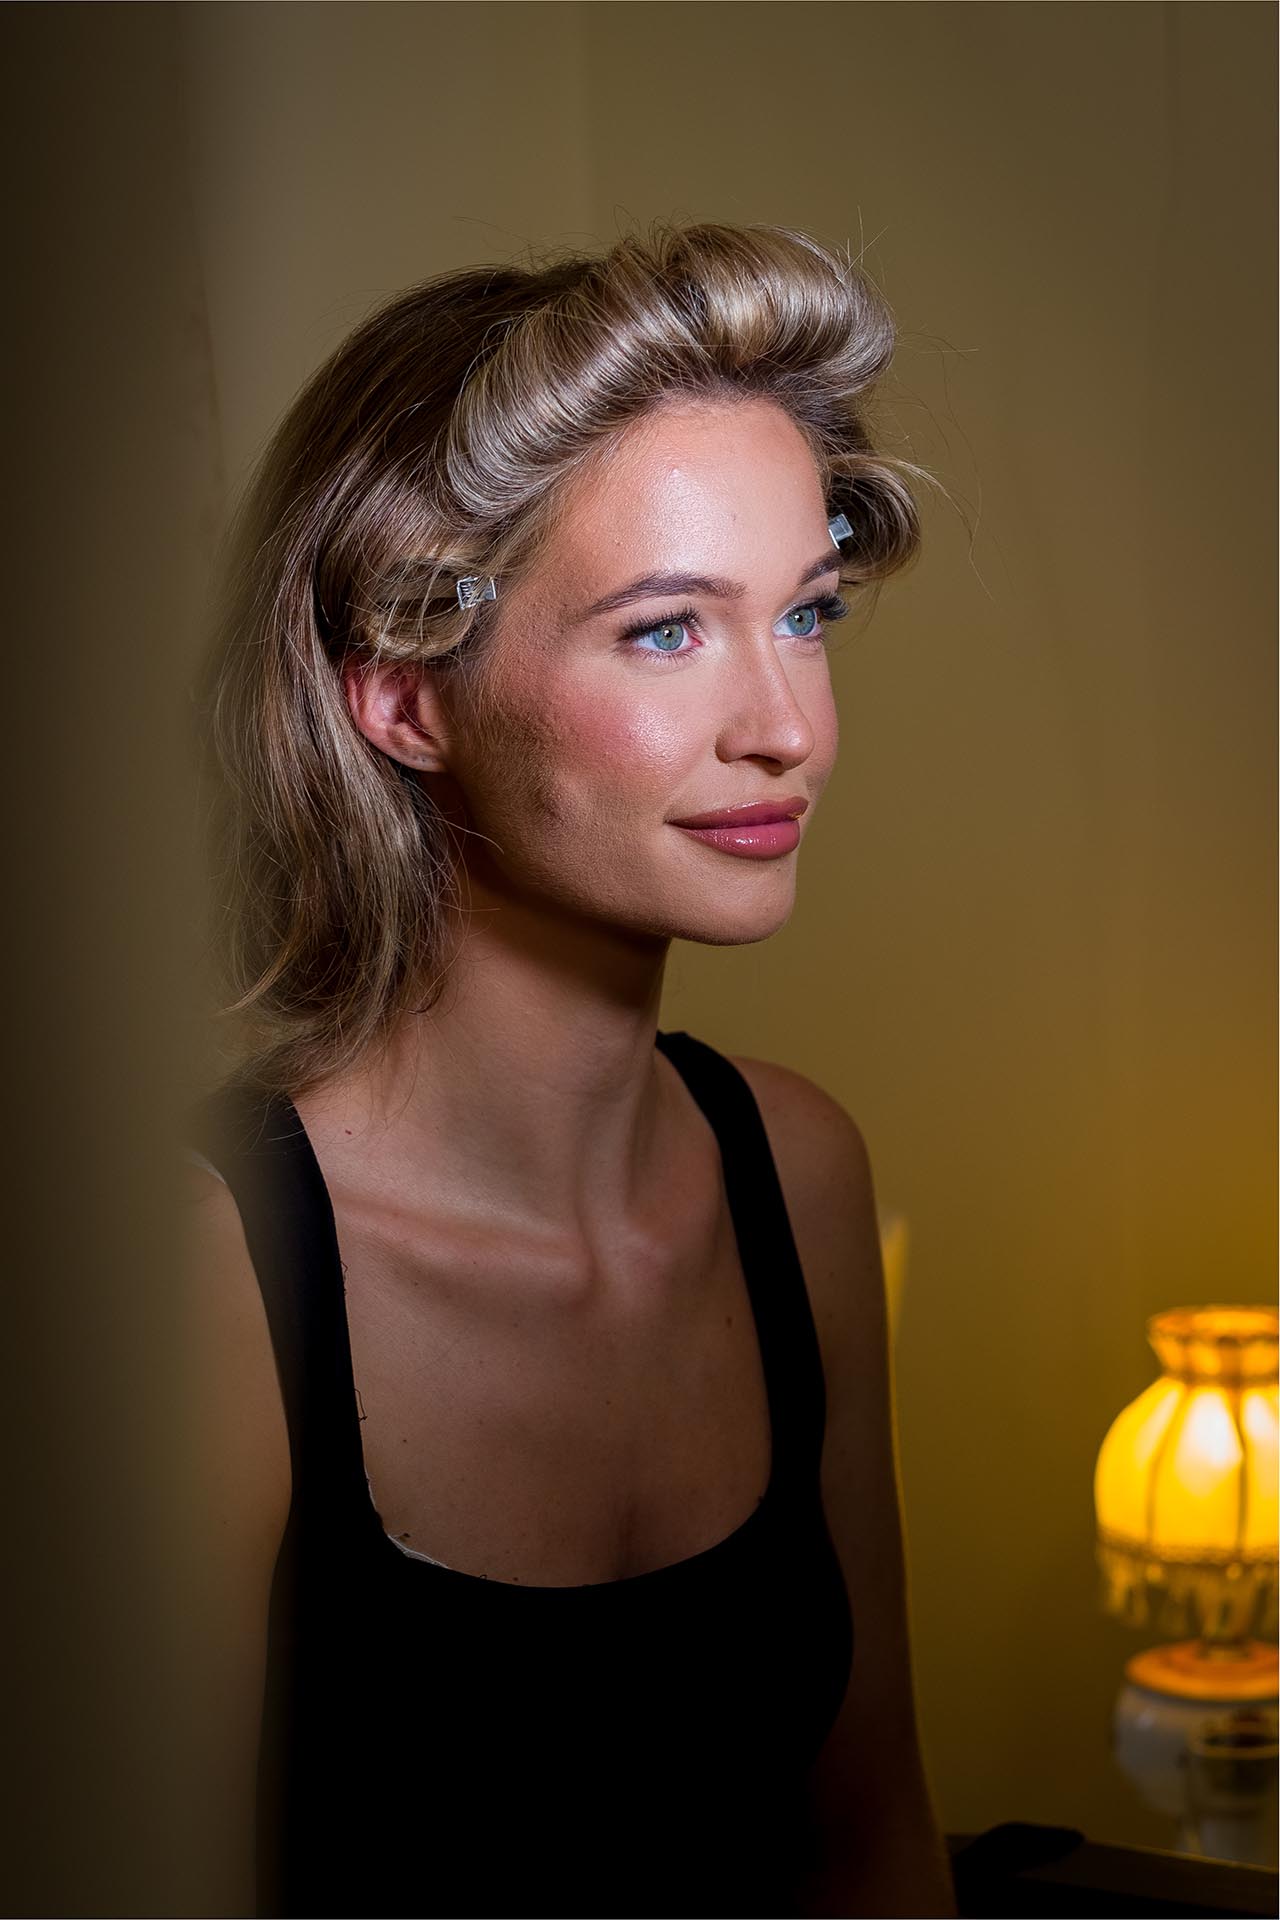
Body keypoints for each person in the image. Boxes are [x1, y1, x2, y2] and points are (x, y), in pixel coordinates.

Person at [182, 220, 958, 1919]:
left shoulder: (798, 1175)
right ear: (404, 698)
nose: (789, 728)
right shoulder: (204, 1271)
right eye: (668, 632)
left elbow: (874, 1844)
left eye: (807, 615)